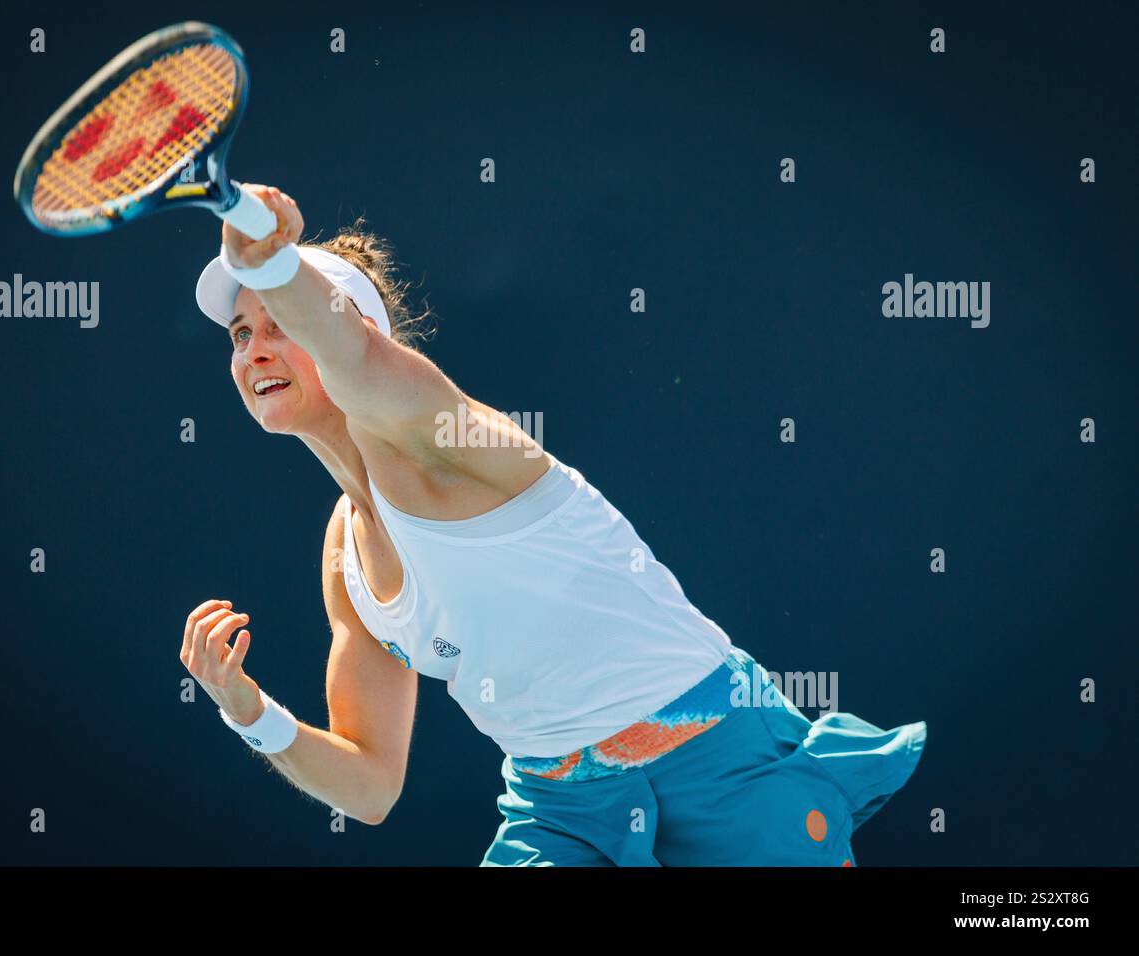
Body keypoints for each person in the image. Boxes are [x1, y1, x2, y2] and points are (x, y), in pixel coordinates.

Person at [178, 184, 927, 866]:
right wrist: (249, 713)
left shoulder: (439, 437)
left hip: (715, 753)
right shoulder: (343, 551)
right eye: (241, 333)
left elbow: (358, 359)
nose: (255, 350)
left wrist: (276, 262)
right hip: (563, 807)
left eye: (280, 322)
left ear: (355, 330)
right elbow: (370, 786)